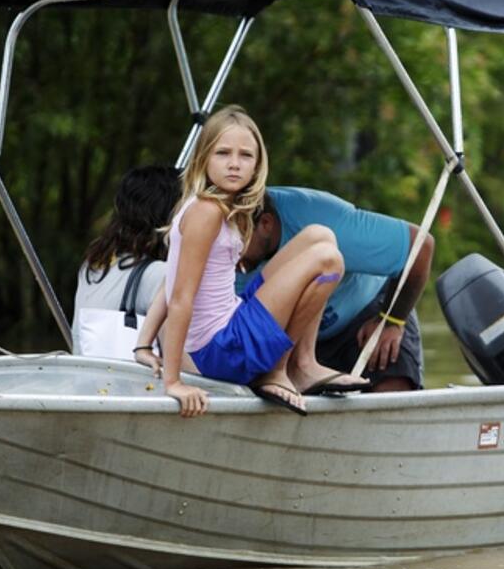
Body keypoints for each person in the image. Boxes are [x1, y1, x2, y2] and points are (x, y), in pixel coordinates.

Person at [133, 105, 366, 418]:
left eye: (245, 156)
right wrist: (173, 381)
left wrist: (143, 344)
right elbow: (180, 297)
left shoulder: (208, 205)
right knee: (328, 260)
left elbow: (170, 278)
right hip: (220, 351)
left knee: (318, 235)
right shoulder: (208, 212)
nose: (234, 164)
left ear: (257, 165)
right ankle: (280, 370)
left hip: (228, 328)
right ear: (203, 158)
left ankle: (305, 362)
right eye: (223, 153)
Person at [238, 187, 434, 393]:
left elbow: (420, 247)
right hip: (289, 334)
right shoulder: (213, 237)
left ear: (266, 225)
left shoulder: (323, 218)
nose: (229, 251)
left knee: (392, 379)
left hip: (362, 313)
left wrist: (392, 320)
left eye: (237, 238)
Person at [71, 165, 180, 355]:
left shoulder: (93, 266)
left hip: (87, 379)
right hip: (135, 382)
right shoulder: (160, 274)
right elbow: (180, 359)